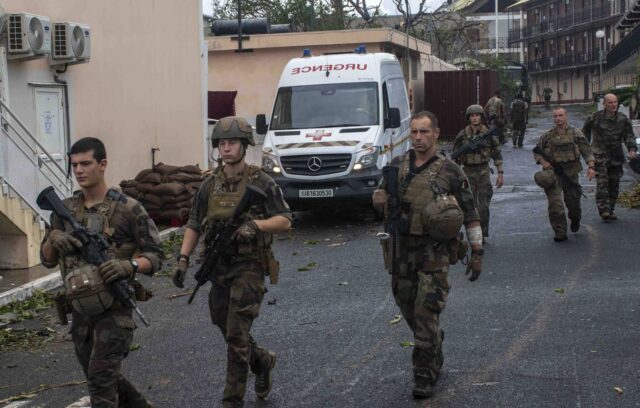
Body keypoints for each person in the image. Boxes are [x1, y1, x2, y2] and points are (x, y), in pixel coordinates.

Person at [171, 116, 291, 408]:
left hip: (249, 266)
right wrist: (183, 259)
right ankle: (262, 361)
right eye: (222, 143)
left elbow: (285, 220)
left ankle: (231, 401)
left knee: (237, 335)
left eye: (232, 142)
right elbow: (195, 223)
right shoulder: (209, 184)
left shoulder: (261, 181)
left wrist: (257, 226)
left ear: (244, 145)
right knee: (223, 324)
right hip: (218, 268)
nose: (226, 148)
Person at [40, 137, 163, 408]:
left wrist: (128, 265)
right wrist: (54, 238)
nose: (79, 171)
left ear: (103, 164)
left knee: (100, 378)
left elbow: (156, 255)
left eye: (86, 163)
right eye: (74, 165)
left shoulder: (128, 209)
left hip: (115, 309)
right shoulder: (64, 209)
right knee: (102, 375)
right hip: (80, 310)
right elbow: (47, 260)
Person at [372, 111, 483, 400]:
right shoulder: (396, 166)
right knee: (408, 308)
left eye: (424, 132)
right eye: (414, 132)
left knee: (425, 312)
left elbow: (470, 213)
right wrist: (378, 198)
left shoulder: (450, 171)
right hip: (401, 251)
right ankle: (433, 341)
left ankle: (423, 375)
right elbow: (379, 196)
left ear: (436, 132)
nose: (418, 138)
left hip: (434, 253)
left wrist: (477, 251)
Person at [534, 107, 595, 241]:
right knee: (555, 205)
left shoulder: (576, 133)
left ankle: (575, 219)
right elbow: (537, 151)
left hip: (571, 174)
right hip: (553, 174)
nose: (558, 118)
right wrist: (543, 162)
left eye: (561, 115)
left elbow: (587, 151)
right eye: (555, 116)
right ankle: (560, 232)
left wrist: (591, 167)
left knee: (573, 205)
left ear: (566, 116)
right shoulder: (547, 135)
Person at [582, 93, 639, 220]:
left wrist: (632, 149)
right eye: (610, 103)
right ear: (604, 104)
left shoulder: (623, 119)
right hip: (599, 155)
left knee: (614, 183)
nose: (613, 105)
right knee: (602, 182)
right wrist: (586, 151)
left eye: (615, 102)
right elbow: (584, 133)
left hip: (616, 155)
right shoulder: (595, 117)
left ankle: (611, 208)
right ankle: (604, 210)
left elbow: (629, 135)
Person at [453, 104, 504, 242]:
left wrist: (500, 174)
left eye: (477, 115)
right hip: (467, 173)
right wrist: (454, 177)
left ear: (481, 117)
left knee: (483, 207)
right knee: (469, 206)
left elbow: (497, 154)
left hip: (483, 172)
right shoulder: (462, 135)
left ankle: (482, 233)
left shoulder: (488, 134)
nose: (475, 118)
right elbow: (455, 157)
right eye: (472, 116)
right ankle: (473, 234)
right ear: (468, 118)